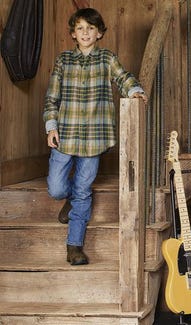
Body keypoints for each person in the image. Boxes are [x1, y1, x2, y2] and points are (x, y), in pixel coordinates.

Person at [43, 8, 147, 265]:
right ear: (73, 34)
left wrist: (134, 91)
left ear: (99, 33)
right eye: (80, 28)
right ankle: (68, 199)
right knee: (56, 188)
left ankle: (74, 246)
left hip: (93, 137)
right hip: (65, 135)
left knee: (82, 191)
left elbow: (123, 78)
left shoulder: (107, 58)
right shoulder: (63, 60)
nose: (86, 32)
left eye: (91, 28)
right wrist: (51, 126)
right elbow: (52, 97)